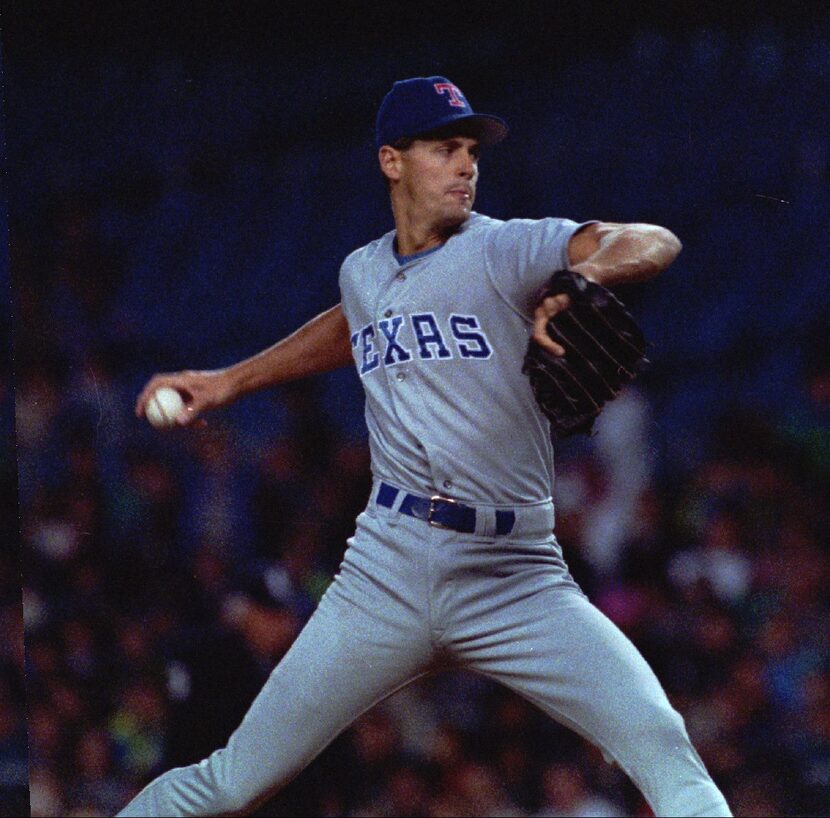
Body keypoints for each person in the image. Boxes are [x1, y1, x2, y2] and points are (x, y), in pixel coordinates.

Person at [119, 77, 731, 817]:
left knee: (663, 743)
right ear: (392, 161)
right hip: (389, 567)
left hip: (518, 574)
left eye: (471, 150)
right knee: (234, 781)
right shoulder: (363, 270)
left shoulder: (506, 249)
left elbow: (650, 241)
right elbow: (352, 322)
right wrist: (230, 382)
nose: (466, 164)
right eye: (445, 148)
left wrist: (585, 274)